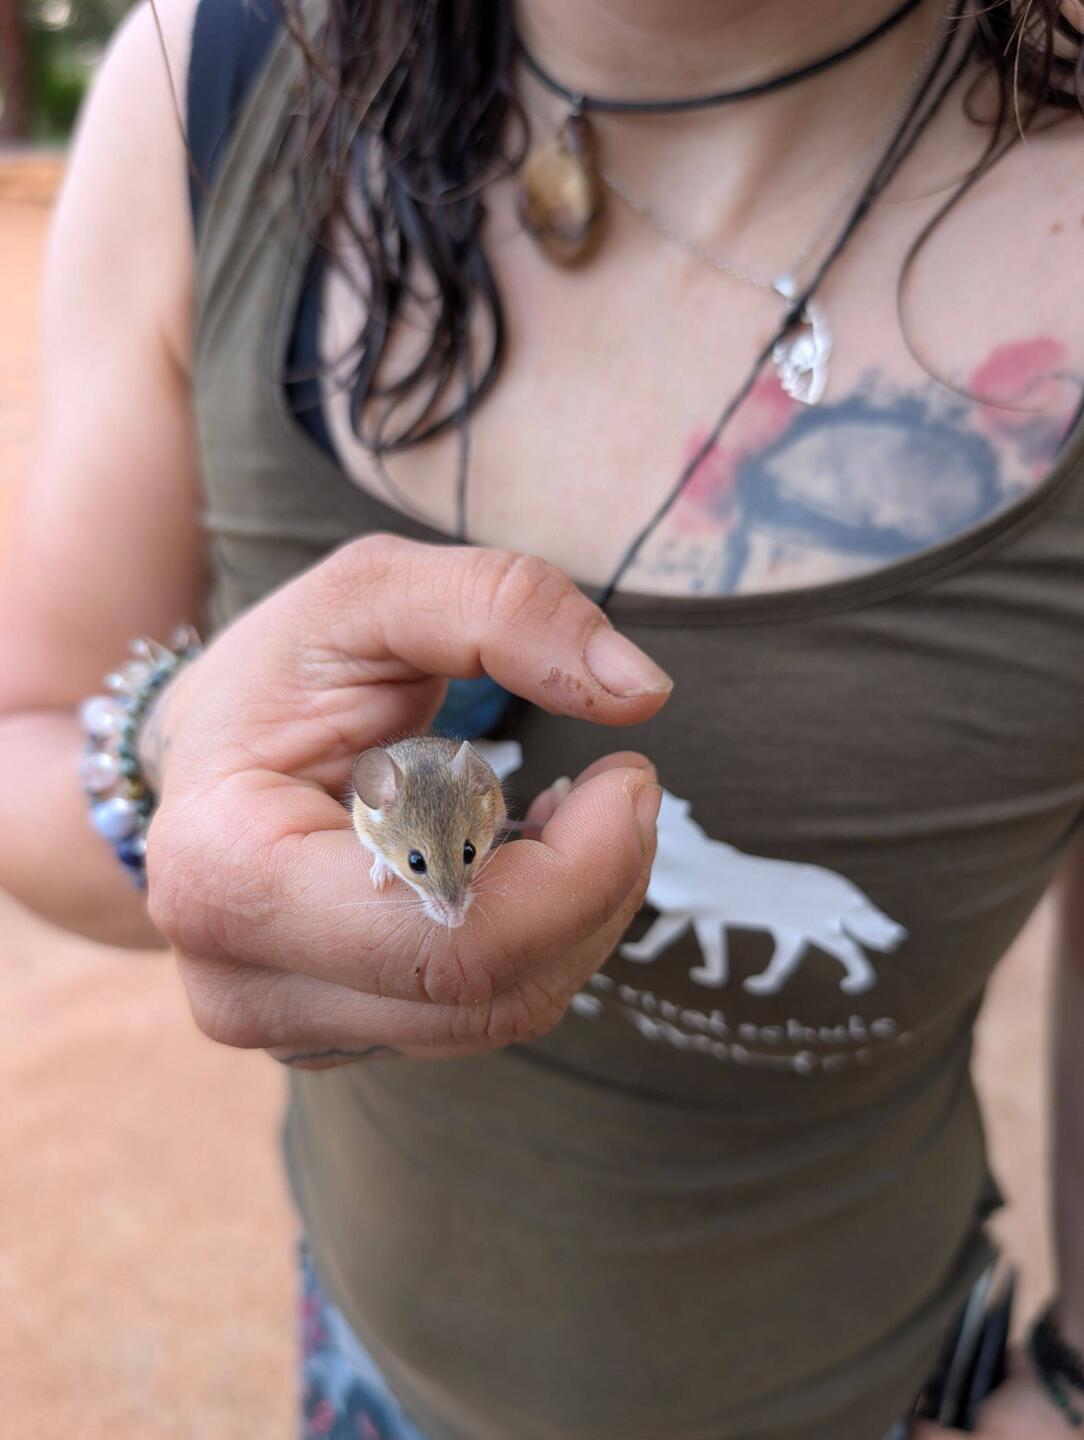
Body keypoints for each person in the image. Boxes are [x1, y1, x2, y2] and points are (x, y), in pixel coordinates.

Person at [2, 0, 1084, 1434]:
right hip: (367, 1366)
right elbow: (30, 722)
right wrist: (162, 763)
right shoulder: (199, 78)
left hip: (878, 1385)